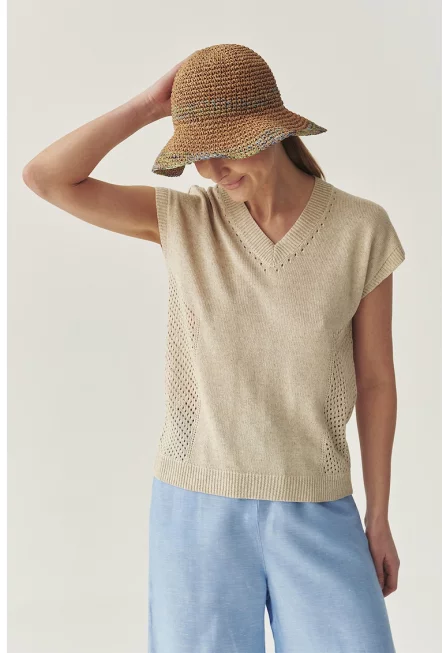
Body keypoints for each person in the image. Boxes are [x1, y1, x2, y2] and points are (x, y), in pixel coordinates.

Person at [23, 43, 405, 653]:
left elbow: (376, 380)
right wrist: (150, 106)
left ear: (271, 130)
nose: (210, 170)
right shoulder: (186, 219)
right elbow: (46, 178)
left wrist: (378, 516)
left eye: (223, 147)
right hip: (196, 507)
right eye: (196, 154)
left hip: (316, 502)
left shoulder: (361, 229)